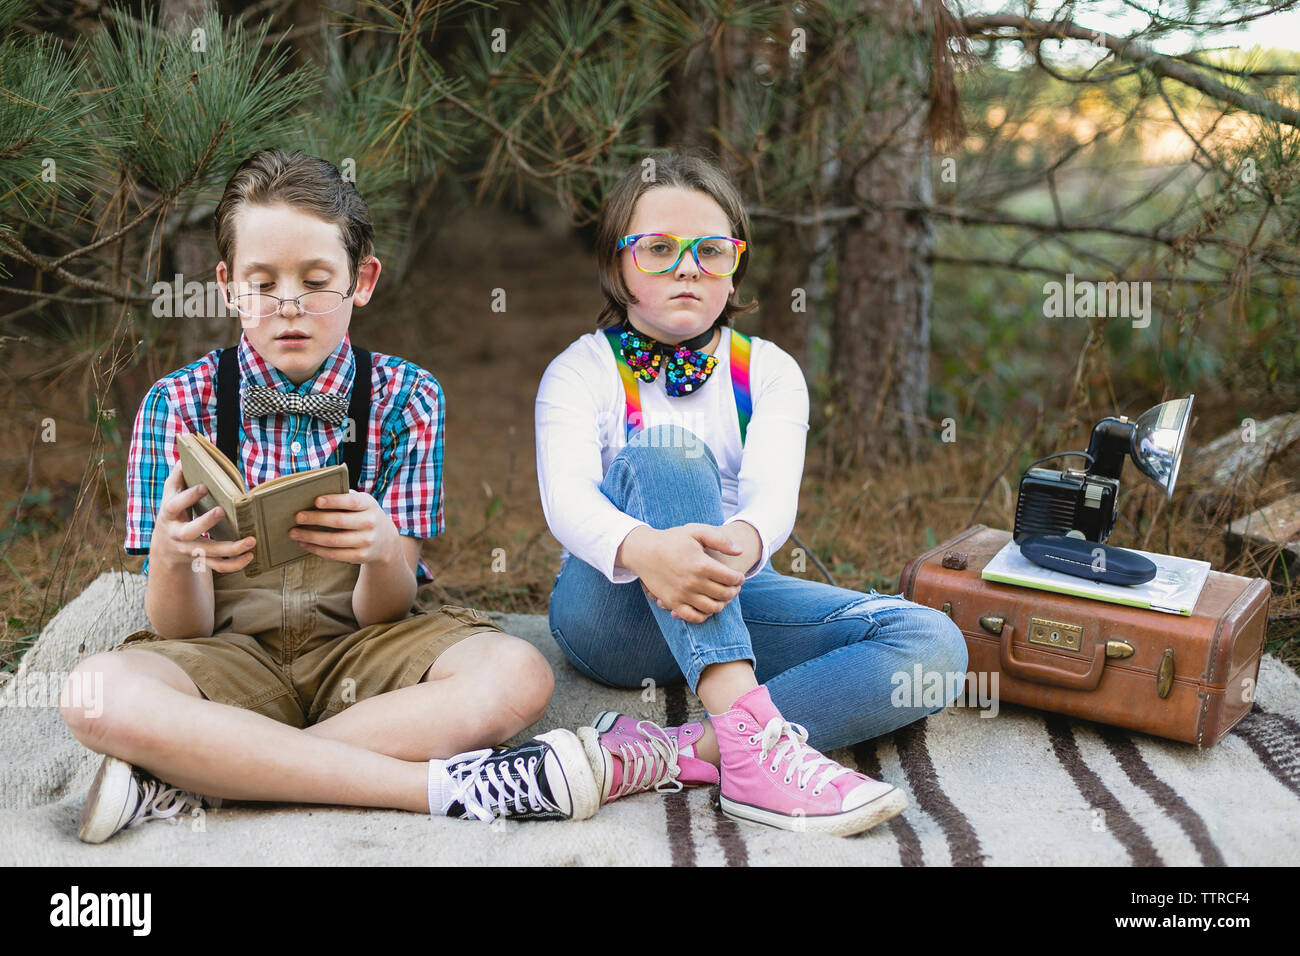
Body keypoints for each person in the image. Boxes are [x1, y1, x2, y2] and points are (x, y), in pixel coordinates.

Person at [62, 149, 596, 844]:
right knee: (93, 693)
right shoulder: (178, 402)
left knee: (516, 673)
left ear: (361, 280)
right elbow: (181, 633)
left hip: (364, 651)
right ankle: (432, 788)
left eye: (316, 281)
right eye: (262, 282)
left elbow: (389, 609)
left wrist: (380, 553)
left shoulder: (408, 397)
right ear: (226, 286)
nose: (289, 306)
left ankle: (212, 771)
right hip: (230, 657)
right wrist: (172, 556)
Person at [535, 151, 968, 836]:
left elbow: (770, 503)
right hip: (611, 615)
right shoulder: (580, 370)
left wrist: (737, 548)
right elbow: (566, 503)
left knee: (934, 645)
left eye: (711, 250)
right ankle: (752, 747)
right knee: (668, 449)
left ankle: (693, 751)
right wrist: (649, 549)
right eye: (658, 250)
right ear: (618, 265)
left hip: (726, 595)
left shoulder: (768, 370)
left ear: (735, 263)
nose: (687, 267)